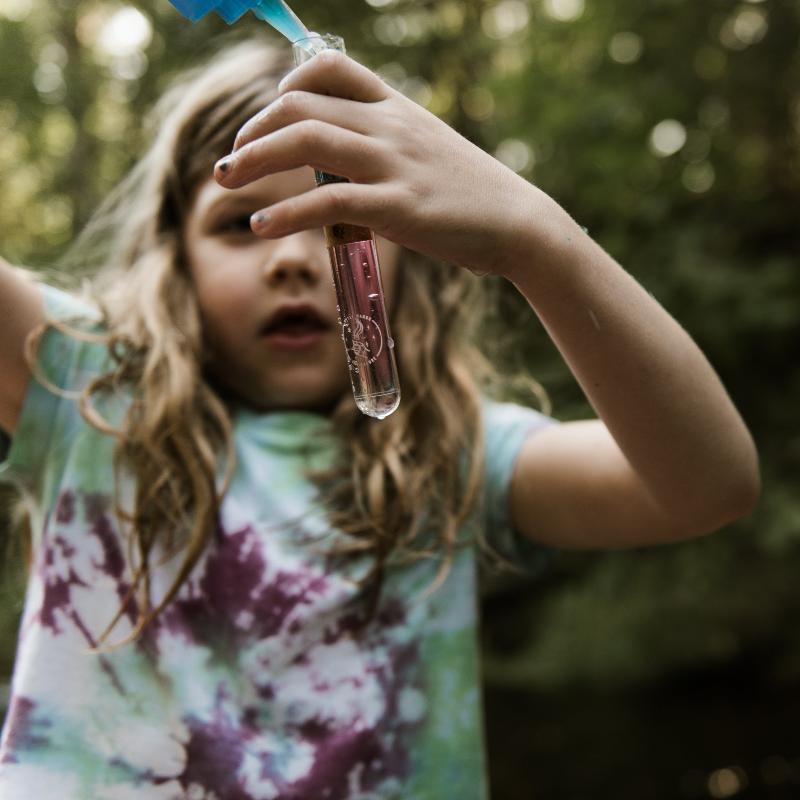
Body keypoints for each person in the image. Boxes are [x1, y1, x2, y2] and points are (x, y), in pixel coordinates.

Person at [0, 35, 758, 800]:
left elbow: (706, 484)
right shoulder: (87, 398)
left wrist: (536, 239)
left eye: (341, 219)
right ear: (175, 259)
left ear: (411, 253)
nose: (291, 259)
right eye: (241, 223)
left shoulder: (453, 454)